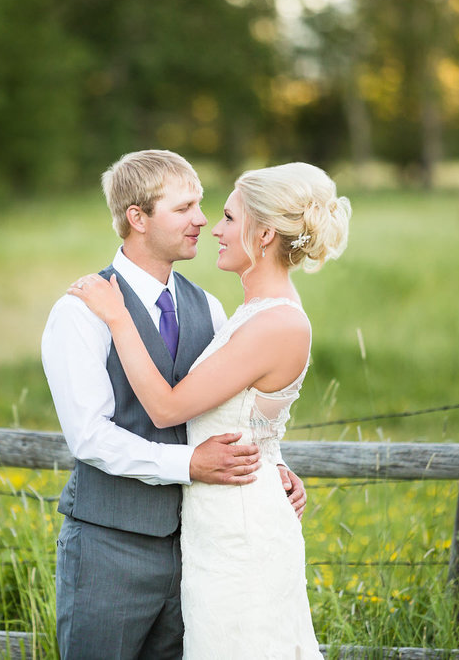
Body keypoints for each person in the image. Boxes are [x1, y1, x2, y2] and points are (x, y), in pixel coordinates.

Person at [70, 161, 351, 658]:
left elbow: (166, 408)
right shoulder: (244, 312)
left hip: (240, 530)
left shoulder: (275, 323)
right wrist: (275, 460)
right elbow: (252, 413)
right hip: (211, 527)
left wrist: (117, 317)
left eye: (226, 216)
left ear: (263, 234)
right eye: (195, 210)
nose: (212, 227)